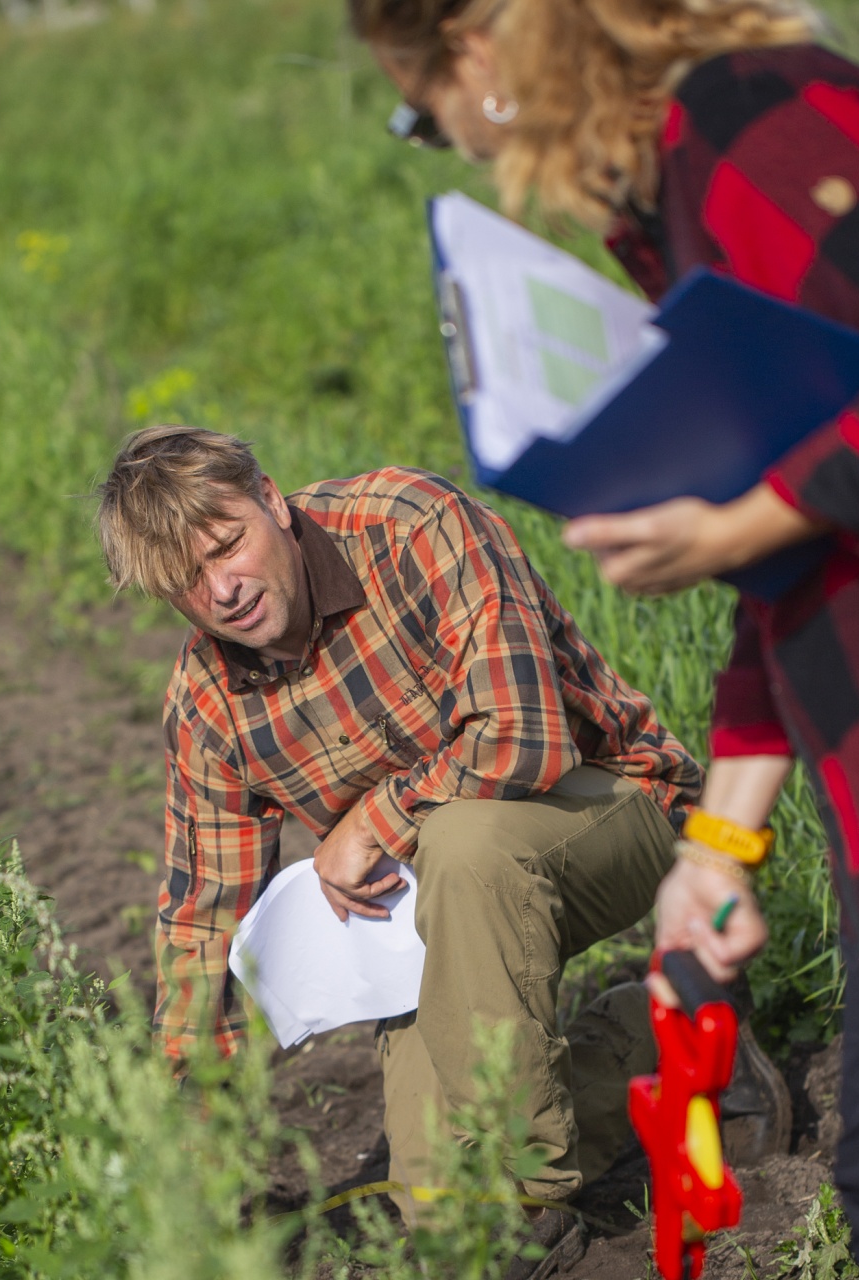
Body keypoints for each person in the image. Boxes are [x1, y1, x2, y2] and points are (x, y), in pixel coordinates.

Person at [351, 0, 859, 1276]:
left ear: (482, 47)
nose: (454, 137)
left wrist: (738, 520)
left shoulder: (754, 112)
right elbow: (797, 570)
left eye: (419, 102)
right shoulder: (679, 213)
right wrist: (713, 848)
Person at [95, 425, 706, 1273]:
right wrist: (188, 1123)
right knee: (446, 1215)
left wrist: (371, 824)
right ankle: (675, 1043)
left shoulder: (411, 526)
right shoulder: (208, 703)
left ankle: (530, 1196)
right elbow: (201, 922)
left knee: (463, 840)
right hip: (431, 903)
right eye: (187, 583)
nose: (222, 590)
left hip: (617, 805)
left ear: (272, 499)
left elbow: (525, 736)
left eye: (228, 546)